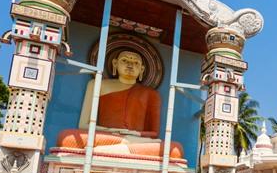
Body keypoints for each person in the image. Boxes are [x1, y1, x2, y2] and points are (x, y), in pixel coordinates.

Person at [56, 50, 184, 159]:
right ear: (115, 64)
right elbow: (83, 125)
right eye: (125, 60)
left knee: (175, 149)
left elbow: (154, 133)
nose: (130, 64)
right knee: (66, 137)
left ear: (142, 69)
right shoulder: (97, 84)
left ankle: (109, 151)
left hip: (137, 139)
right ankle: (124, 147)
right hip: (106, 136)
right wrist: (115, 133)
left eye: (135, 62)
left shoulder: (151, 94)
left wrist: (134, 135)